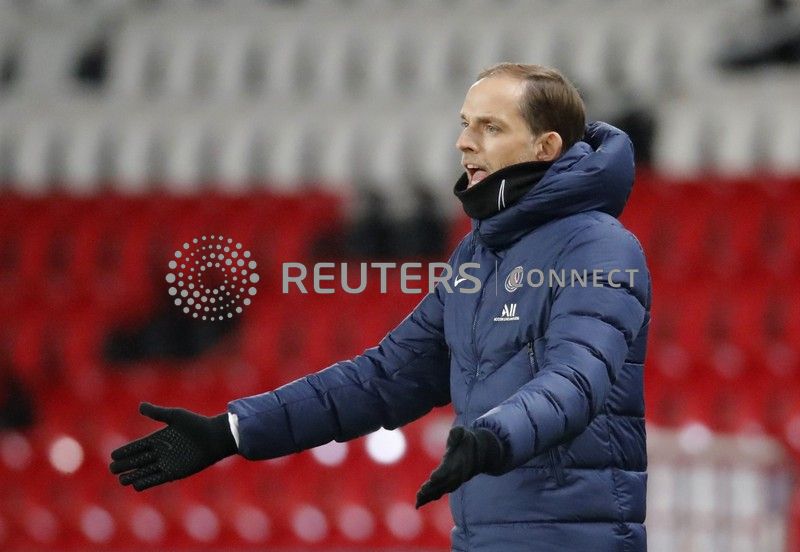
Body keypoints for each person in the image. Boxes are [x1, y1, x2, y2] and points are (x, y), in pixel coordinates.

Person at [110, 63, 651, 552]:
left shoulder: (599, 245)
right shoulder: (480, 255)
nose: (465, 143)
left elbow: (579, 379)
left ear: (546, 146)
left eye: (490, 127)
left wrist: (494, 435)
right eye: (465, 124)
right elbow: (383, 378)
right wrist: (231, 431)